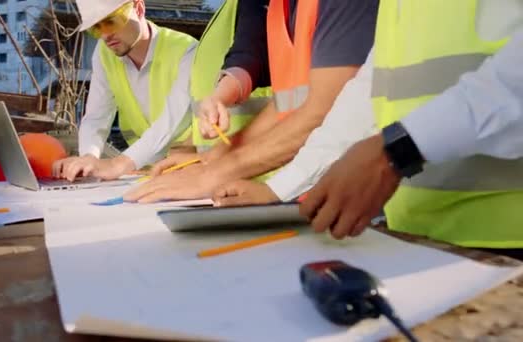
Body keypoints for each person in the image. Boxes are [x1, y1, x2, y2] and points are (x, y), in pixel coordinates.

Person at [222, 1, 523, 258]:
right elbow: (370, 90)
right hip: (423, 240)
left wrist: (399, 149)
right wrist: (280, 190)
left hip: (507, 239)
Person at [124, 0, 379, 203]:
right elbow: (288, 103)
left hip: (375, 188)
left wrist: (215, 173)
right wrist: (213, 159)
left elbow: (326, 107)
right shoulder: (280, 7)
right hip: (325, 191)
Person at [52, 0, 197, 181]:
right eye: (96, 28)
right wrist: (88, 158)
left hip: (190, 168)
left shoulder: (186, 50)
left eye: (112, 21)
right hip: (142, 171)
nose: (105, 35)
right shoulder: (104, 54)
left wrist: (117, 164)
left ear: (138, 8)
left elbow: (173, 119)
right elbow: (96, 116)